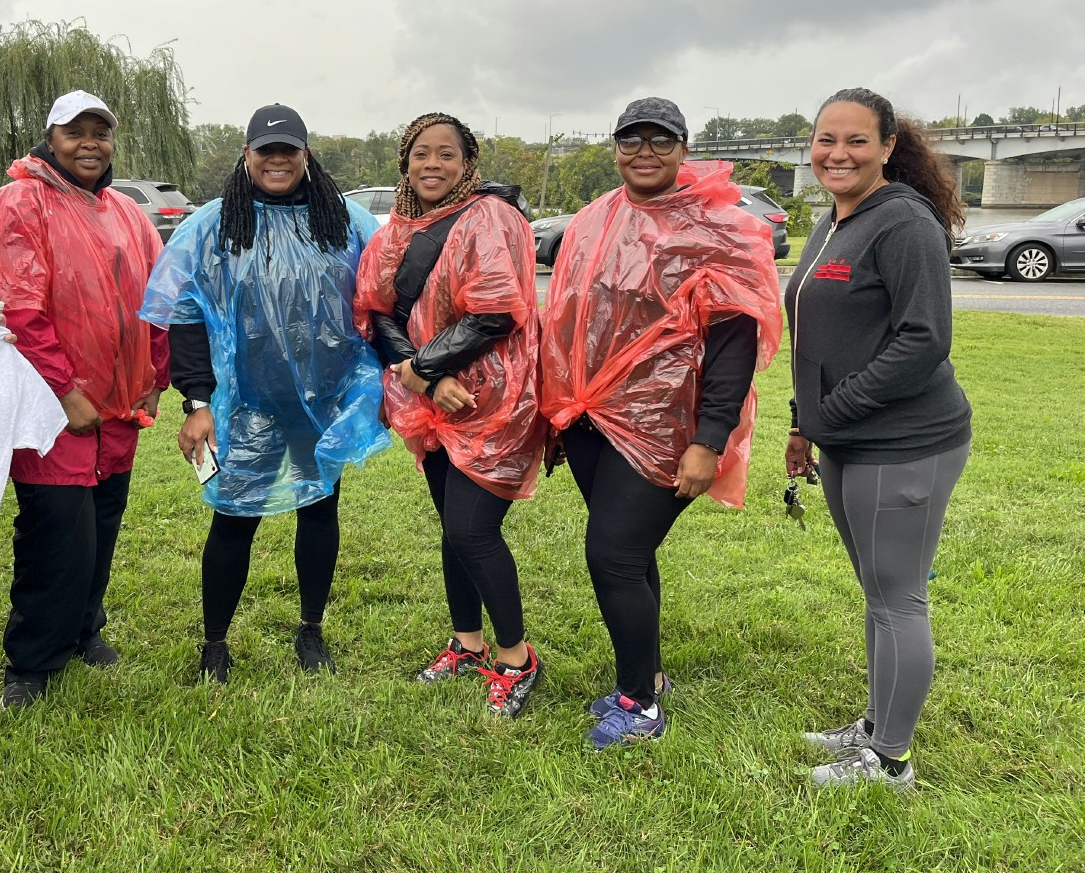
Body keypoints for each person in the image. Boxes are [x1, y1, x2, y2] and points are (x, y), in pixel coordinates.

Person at [539, 97, 782, 750]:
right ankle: (644, 673)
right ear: (615, 145)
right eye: (631, 138)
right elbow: (567, 316)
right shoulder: (594, 219)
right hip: (590, 418)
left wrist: (709, 440)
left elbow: (734, 343)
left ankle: (639, 705)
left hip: (664, 427)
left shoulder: (714, 226)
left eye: (660, 139)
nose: (644, 150)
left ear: (683, 147)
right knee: (631, 551)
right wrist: (557, 411)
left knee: (612, 553)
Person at [140, 104, 389, 682]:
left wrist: (372, 382)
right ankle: (215, 643)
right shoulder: (213, 223)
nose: (277, 160)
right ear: (246, 156)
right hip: (246, 404)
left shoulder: (345, 221)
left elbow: (377, 302)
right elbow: (184, 315)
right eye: (265, 151)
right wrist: (197, 403)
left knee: (319, 507)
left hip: (322, 402)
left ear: (306, 156)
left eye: (289, 151)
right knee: (232, 520)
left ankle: (311, 631)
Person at [785, 87, 971, 789]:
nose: (838, 153)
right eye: (826, 139)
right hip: (845, 438)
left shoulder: (904, 223)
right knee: (878, 591)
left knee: (898, 596)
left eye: (856, 140)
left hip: (906, 439)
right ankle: (877, 721)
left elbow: (923, 340)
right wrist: (806, 423)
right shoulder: (836, 219)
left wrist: (836, 412)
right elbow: (819, 335)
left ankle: (890, 759)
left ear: (889, 146)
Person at [0, 90, 170, 710]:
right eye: (76, 131)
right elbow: (18, 309)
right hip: (50, 406)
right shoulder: (19, 203)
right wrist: (62, 389)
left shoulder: (127, 213)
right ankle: (31, 661)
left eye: (101, 132)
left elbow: (158, 298)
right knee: (55, 530)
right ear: (50, 137)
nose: (90, 143)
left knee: (101, 524)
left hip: (117, 406)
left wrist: (154, 375)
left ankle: (85, 627)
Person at [353, 112, 546, 717]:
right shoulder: (395, 231)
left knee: (472, 529)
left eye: (447, 154)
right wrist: (423, 375)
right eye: (420, 154)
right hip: (435, 402)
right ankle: (466, 642)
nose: (432, 165)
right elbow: (377, 310)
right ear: (404, 162)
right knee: (452, 528)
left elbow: (495, 311)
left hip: (493, 401)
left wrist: (422, 370)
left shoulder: (492, 218)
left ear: (468, 165)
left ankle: (517, 659)